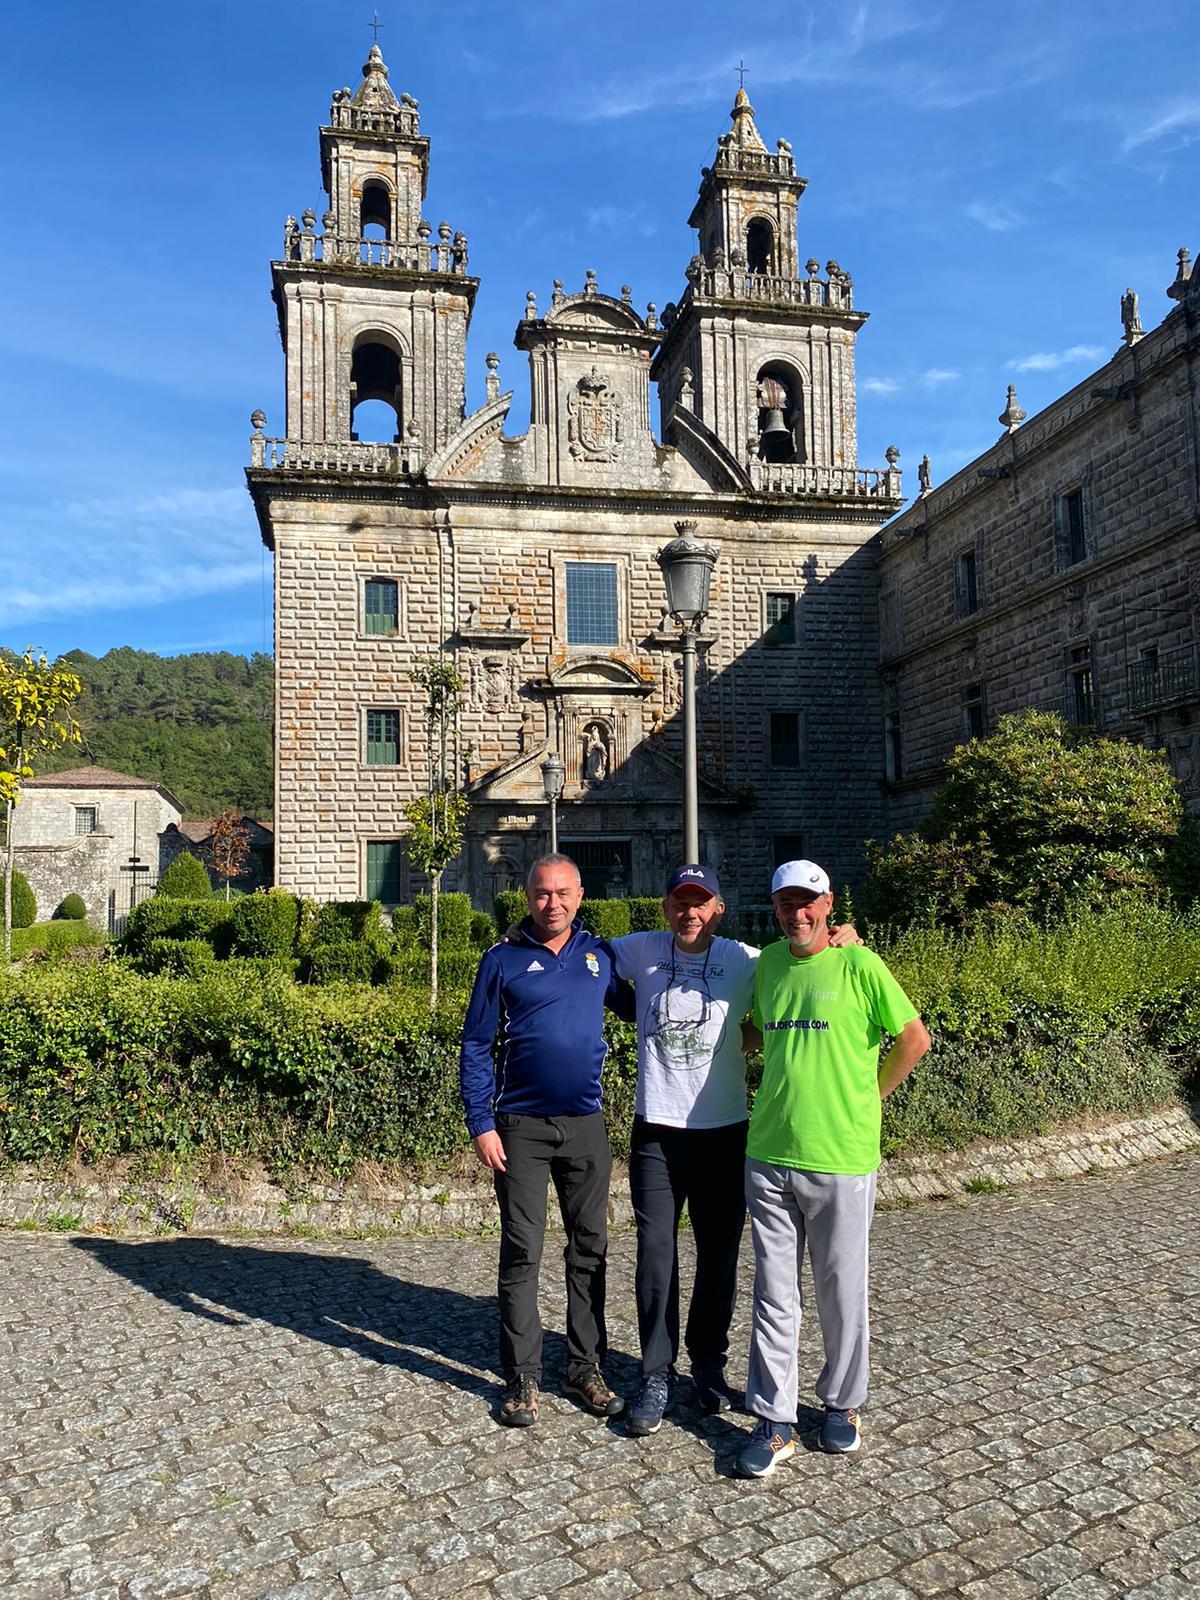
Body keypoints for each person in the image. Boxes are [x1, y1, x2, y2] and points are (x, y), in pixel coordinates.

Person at [608, 865, 861, 1438]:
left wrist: (848, 936)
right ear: (666, 906)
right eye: (680, 902)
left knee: (718, 1257)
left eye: (700, 903)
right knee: (655, 1256)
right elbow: (582, 953)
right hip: (657, 1132)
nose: (689, 912)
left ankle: (707, 1368)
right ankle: (654, 1373)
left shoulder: (748, 959)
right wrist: (525, 937)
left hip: (725, 1131)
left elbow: (797, 975)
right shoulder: (638, 949)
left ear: (717, 907)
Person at [735, 859, 930, 1478]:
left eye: (808, 903)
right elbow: (762, 1033)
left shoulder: (860, 963)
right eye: (786, 904)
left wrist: (872, 1096)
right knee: (774, 1294)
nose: (797, 914)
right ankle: (775, 1420)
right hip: (769, 1153)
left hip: (842, 1157)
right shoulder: (766, 963)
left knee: (842, 1289)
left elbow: (913, 1039)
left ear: (828, 904)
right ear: (775, 908)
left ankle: (842, 1406)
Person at [459, 853, 632, 1428]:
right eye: (541, 893)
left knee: (590, 1249)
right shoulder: (501, 960)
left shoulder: (599, 956)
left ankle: (584, 1368)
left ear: (581, 895)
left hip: (585, 1126)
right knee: (522, 1252)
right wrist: (480, 1122)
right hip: (519, 1130)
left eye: (562, 893)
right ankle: (522, 1378)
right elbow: (477, 1045)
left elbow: (654, 997)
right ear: (526, 896)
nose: (552, 903)